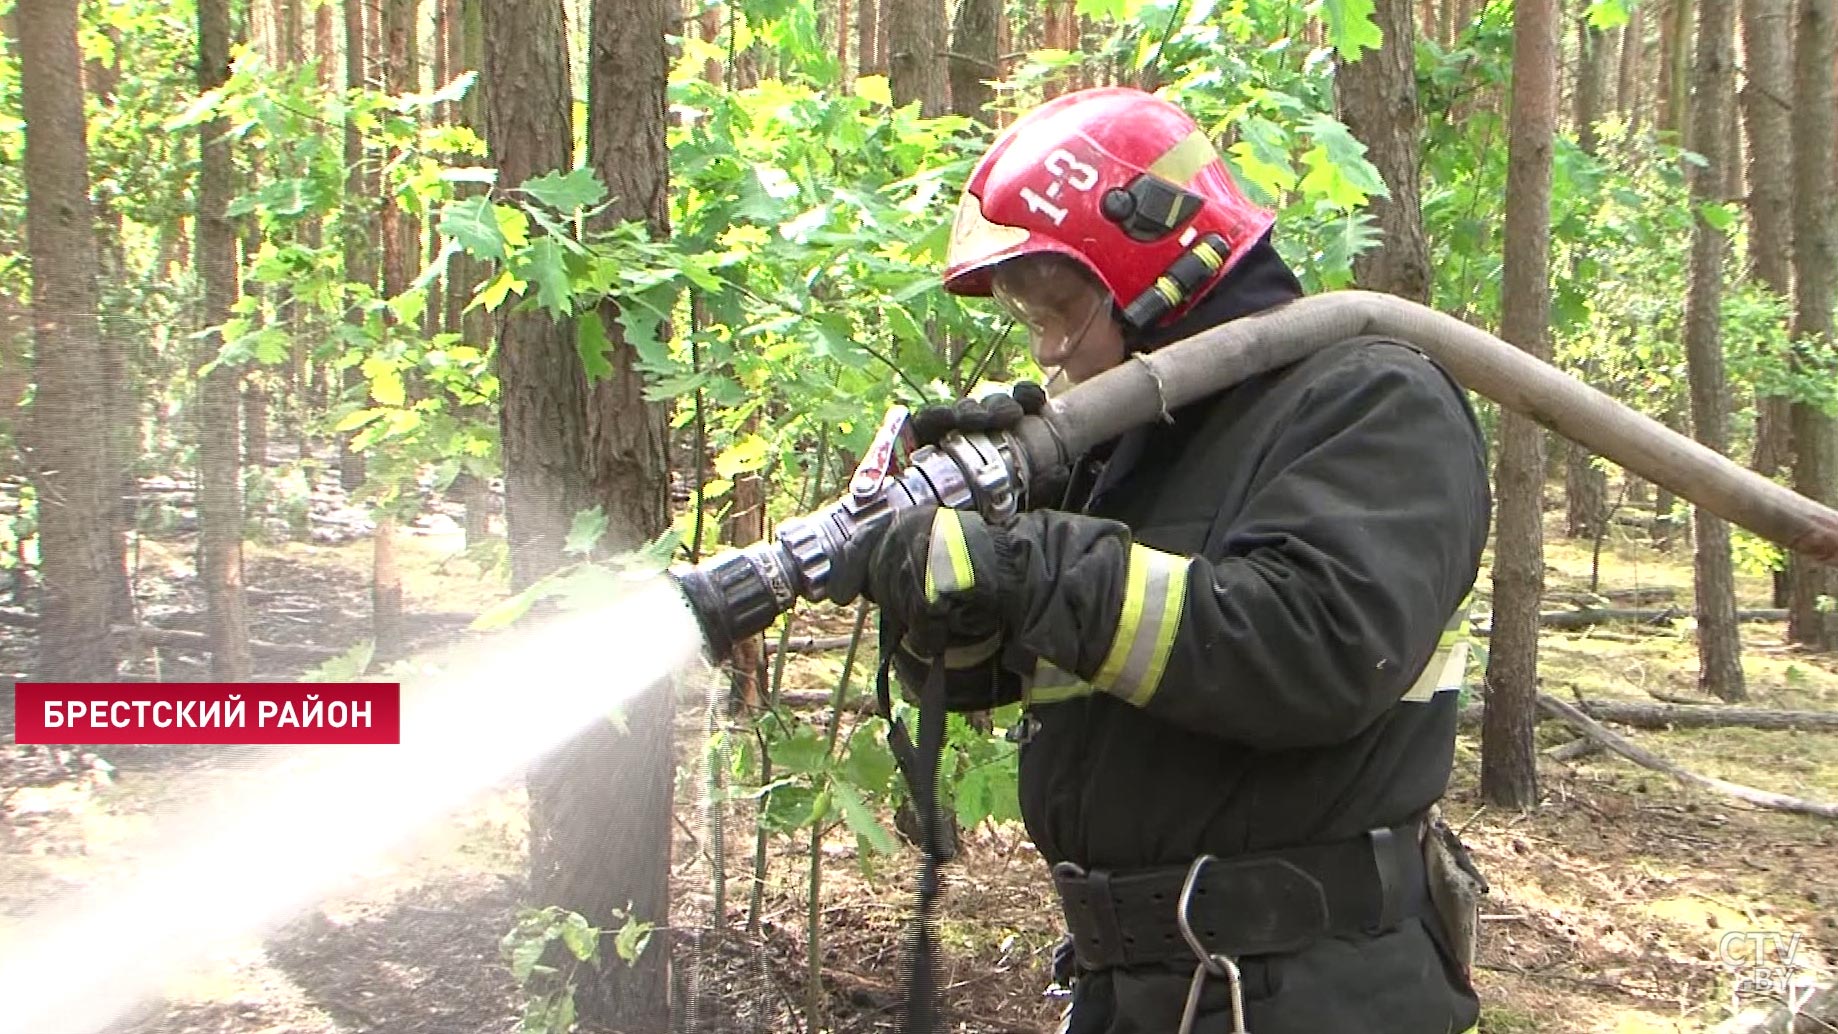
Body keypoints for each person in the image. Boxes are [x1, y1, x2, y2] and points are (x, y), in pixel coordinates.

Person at [829, 87, 1491, 1034]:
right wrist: (944, 589)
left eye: (1062, 307)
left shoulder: (1369, 397)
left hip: (1310, 992)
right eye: (1032, 319)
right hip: (1141, 987)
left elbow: (1319, 652)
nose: (1052, 351)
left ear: (1156, 264)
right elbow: (1022, 670)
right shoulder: (1133, 447)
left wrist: (1031, 563)